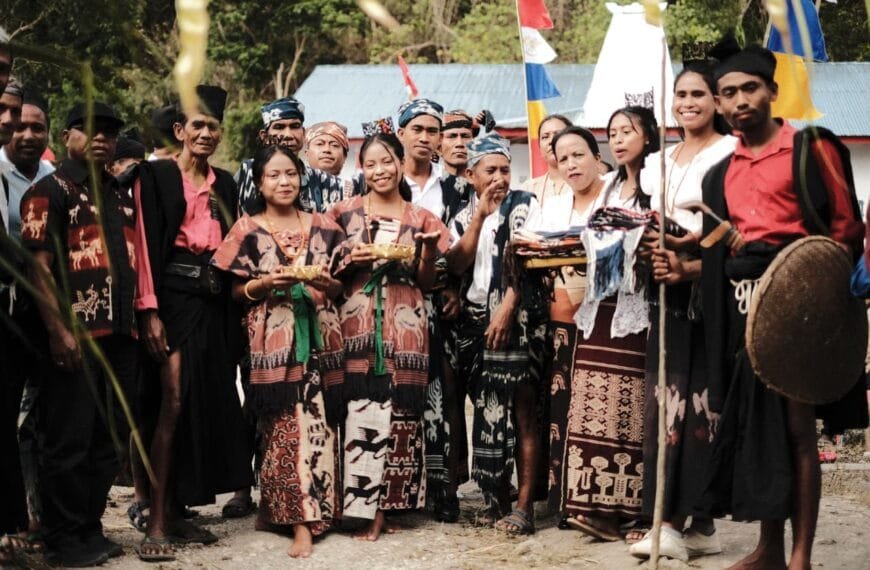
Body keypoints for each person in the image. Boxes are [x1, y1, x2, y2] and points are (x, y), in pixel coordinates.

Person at [698, 43, 866, 570]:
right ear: (720, 106)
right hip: (746, 310)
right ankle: (769, 547)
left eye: (751, 88)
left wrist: (811, 289)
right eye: (729, 93)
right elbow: (715, 255)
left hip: (803, 311)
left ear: (772, 92)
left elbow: (845, 232)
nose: (741, 100)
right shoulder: (718, 174)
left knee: (796, 432)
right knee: (759, 433)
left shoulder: (812, 147)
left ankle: (800, 556)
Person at [133, 85, 253, 562]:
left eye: (213, 127)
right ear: (179, 130)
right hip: (170, 296)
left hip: (212, 301)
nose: (205, 133)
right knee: (172, 399)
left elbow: (232, 245)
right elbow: (143, 245)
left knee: (202, 399)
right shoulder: (156, 176)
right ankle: (156, 522)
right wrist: (149, 312)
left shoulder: (224, 183)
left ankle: (180, 513)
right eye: (196, 125)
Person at [211, 145, 345, 558]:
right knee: (284, 427)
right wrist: (264, 285)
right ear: (260, 182)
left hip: (322, 338)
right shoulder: (247, 229)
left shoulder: (325, 226)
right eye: (274, 175)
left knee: (319, 425)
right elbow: (235, 292)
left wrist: (325, 285)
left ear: (301, 178)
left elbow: (339, 286)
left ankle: (310, 511)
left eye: (291, 173)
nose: (284, 181)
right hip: (273, 342)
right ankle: (297, 520)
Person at [20, 101, 138, 567]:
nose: (100, 138)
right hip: (75, 336)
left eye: (108, 131)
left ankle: (89, 528)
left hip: (120, 335)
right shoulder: (48, 191)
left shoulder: (119, 193)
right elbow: (38, 268)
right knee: (66, 438)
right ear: (67, 136)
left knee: (108, 437)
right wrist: (58, 331)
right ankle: (62, 538)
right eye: (88, 129)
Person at [628, 62, 736, 561]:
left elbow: (734, 229)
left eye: (699, 93)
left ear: (718, 100)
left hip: (709, 291)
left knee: (699, 405)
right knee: (665, 400)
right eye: (680, 94)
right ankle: (677, 518)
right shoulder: (661, 161)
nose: (688, 102)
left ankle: (682, 519)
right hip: (665, 293)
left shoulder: (730, 154)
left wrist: (693, 263)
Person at [327, 132, 450, 541]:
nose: (380, 171)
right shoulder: (340, 214)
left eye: (387, 162)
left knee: (401, 413)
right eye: (371, 163)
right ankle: (359, 508)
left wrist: (427, 253)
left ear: (400, 164)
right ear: (362, 168)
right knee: (360, 410)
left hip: (407, 324)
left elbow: (429, 282)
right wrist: (349, 256)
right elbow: (325, 272)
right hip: (356, 324)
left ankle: (388, 507)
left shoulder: (423, 219)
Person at [551, 107, 658, 542]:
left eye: (626, 131)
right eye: (612, 132)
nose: (617, 139)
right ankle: (594, 506)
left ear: (648, 136)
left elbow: (660, 233)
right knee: (594, 401)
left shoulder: (657, 183)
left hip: (640, 305)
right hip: (600, 303)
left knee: (633, 405)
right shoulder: (612, 186)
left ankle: (636, 512)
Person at [446, 133, 547, 535]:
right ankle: (497, 498)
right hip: (473, 323)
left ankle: (525, 507)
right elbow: (455, 265)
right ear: (471, 174)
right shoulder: (464, 212)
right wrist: (479, 217)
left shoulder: (526, 204)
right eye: (490, 170)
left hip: (516, 321)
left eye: (505, 169)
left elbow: (531, 259)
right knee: (488, 414)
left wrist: (507, 306)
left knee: (522, 412)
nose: (500, 177)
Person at [396, 99, 469, 522]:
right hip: (391, 299)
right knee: (400, 391)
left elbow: (462, 245)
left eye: (433, 131)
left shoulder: (455, 189)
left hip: (440, 301)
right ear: (402, 132)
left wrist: (455, 286)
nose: (426, 137)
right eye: (417, 129)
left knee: (444, 394)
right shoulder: (380, 179)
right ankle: (401, 487)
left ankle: (445, 487)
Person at [1, 91, 54, 546]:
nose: (27, 134)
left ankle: (40, 516)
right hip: (7, 312)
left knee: (44, 417)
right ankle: (14, 521)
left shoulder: (56, 180)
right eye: (19, 126)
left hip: (46, 314)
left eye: (37, 127)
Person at [238, 96, 362, 215]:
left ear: (303, 134)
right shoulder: (249, 171)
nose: (288, 135)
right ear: (265, 137)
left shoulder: (320, 179)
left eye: (294, 126)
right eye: (279, 127)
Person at [521, 114, 572, 206]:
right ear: (540, 147)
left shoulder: (587, 183)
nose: (551, 141)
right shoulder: (528, 189)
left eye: (558, 134)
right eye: (545, 137)